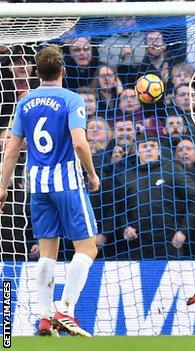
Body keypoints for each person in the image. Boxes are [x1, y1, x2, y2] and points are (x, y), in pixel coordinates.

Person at [0, 45, 99, 337]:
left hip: (37, 186)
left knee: (47, 252)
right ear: (63, 71)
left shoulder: (24, 102)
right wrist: (91, 174)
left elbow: (11, 149)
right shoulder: (71, 98)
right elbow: (80, 143)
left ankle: (44, 318)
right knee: (87, 248)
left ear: (35, 71)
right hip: (67, 183)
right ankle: (65, 309)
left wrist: (2, 188)